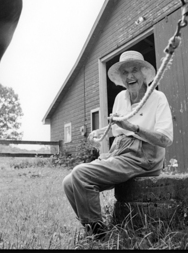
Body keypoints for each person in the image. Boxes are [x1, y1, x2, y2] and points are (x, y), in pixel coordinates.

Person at [62, 50, 173, 239]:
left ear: (144, 73)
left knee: (80, 173)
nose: (130, 76)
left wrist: (134, 128)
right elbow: (120, 129)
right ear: (121, 78)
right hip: (122, 151)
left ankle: (100, 236)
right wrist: (102, 131)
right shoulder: (121, 97)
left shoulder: (158, 98)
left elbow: (165, 139)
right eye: (125, 72)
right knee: (68, 182)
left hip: (144, 156)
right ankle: (92, 228)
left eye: (135, 70)